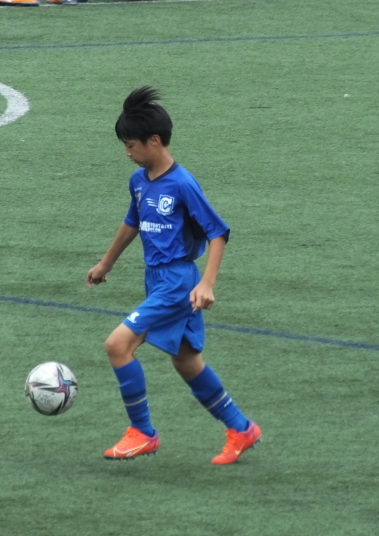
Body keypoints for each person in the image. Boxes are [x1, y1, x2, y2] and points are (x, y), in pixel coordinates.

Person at [87, 86, 261, 464]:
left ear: (154, 140)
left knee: (117, 346)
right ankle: (241, 428)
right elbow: (132, 223)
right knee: (185, 360)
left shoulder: (182, 183)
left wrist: (207, 282)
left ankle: (142, 433)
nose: (127, 152)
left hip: (179, 283)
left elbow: (218, 232)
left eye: (131, 145)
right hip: (156, 279)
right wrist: (106, 264)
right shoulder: (139, 181)